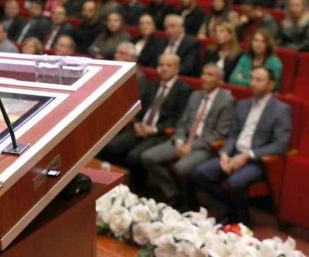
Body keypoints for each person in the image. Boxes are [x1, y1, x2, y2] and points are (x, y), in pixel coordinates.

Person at [192, 66, 291, 225]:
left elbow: (281, 144)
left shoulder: (280, 110)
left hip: (257, 160)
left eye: (259, 80)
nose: (253, 83)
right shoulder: (243, 104)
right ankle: (229, 210)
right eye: (252, 79)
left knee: (235, 182)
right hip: (233, 153)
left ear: (271, 85)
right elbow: (233, 134)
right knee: (199, 172)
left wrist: (247, 155)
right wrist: (224, 154)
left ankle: (242, 221)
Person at [141, 64, 236, 211]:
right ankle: (174, 193)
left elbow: (219, 133)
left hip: (205, 146)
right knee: (148, 157)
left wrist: (191, 147)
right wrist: (179, 141)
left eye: (210, 75)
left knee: (182, 167)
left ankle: (190, 204)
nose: (204, 77)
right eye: (203, 73)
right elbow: (182, 123)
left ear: (220, 80)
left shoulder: (226, 100)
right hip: (183, 140)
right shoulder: (195, 95)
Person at [99, 53, 192, 192]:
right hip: (141, 128)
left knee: (134, 156)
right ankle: (118, 183)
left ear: (177, 69)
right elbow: (139, 108)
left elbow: (178, 119)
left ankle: (136, 189)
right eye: (161, 65)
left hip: (160, 133)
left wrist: (154, 130)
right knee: (112, 147)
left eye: (168, 65)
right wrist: (137, 123)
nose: (164, 68)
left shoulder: (183, 89)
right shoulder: (153, 85)